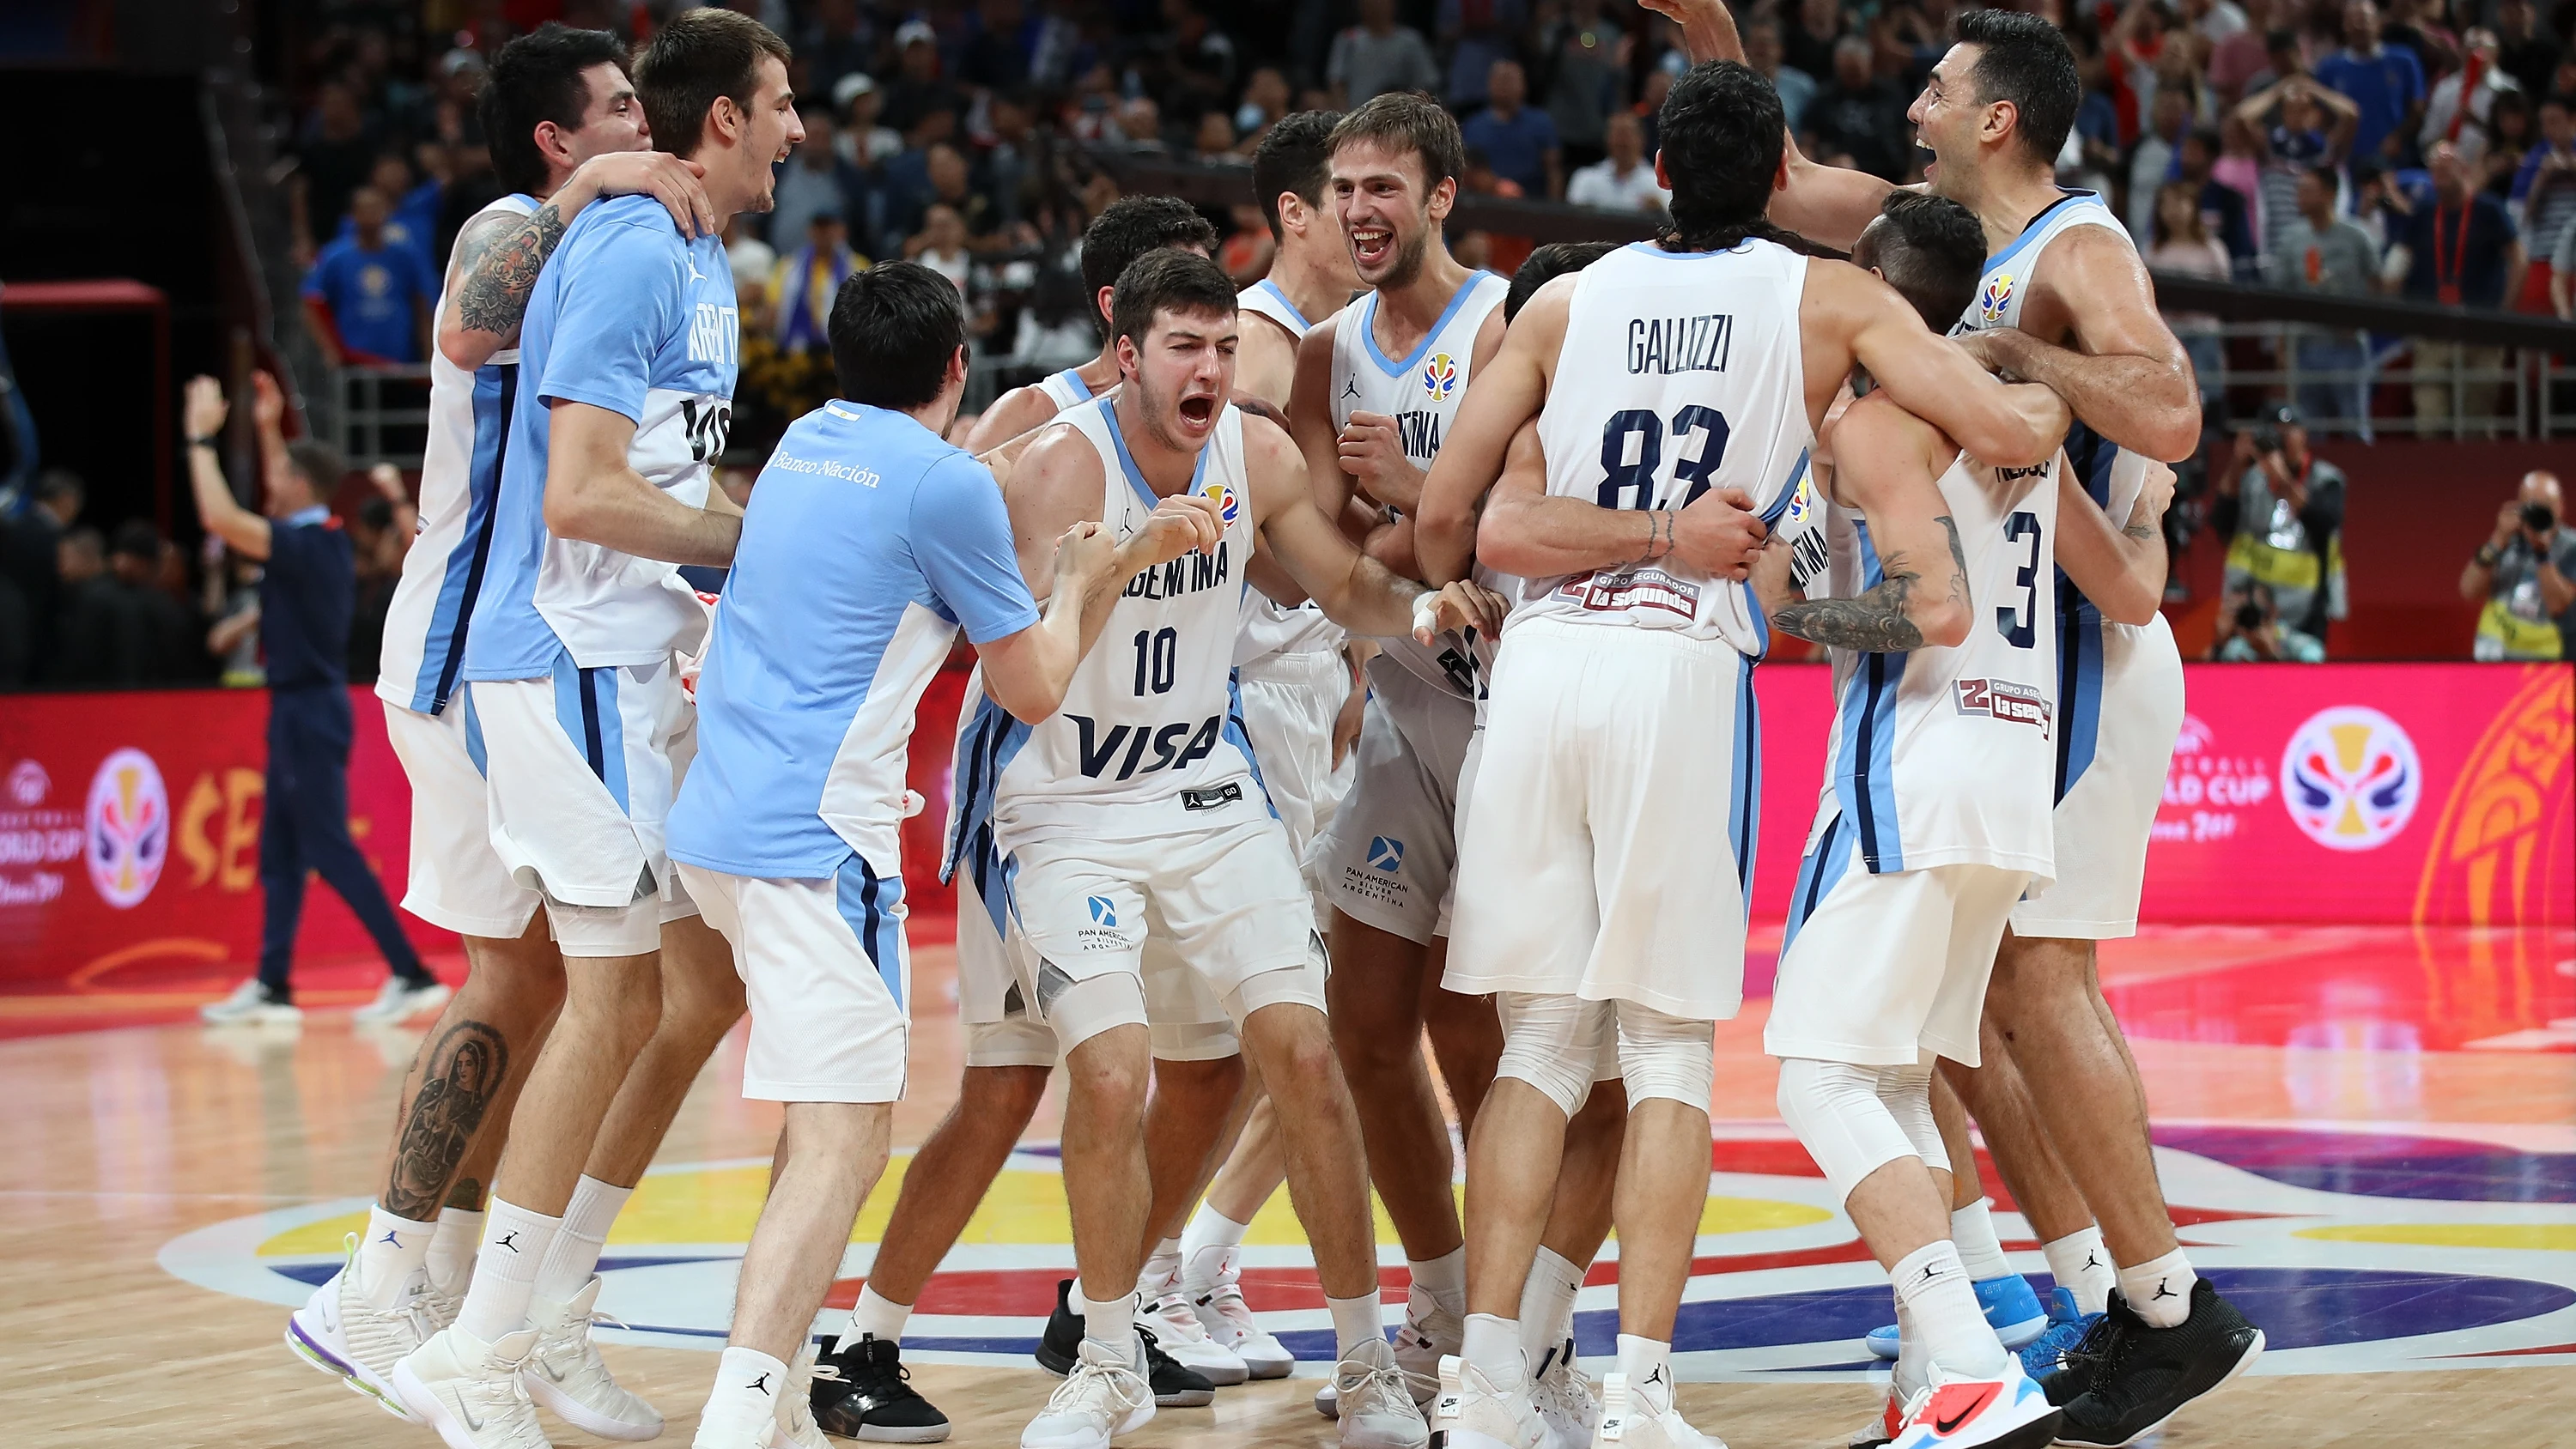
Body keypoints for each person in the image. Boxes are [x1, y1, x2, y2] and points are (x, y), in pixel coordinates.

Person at [1417, 58, 2069, 1449]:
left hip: (1540, 669)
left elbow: (1451, 521)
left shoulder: (1560, 300)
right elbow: (2006, 426)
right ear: (1783, 181)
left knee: (1539, 1039)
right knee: (1666, 1055)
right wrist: (2041, 396)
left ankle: (1482, 1391)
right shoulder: (1827, 294)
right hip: (1679, 664)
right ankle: (1639, 1395)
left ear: (1650, 174)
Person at [1716, 4, 2268, 1442]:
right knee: (1962, 1015)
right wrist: (1714, 24)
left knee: (2034, 984)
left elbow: (2172, 411)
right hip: (2020, 646)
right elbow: (1767, 180)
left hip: (2060, 660)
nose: (1912, 112)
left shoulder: (2076, 248)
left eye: (1939, 92)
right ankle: (2100, 1298)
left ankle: (2162, 1303)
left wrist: (2026, 357)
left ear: (1998, 118)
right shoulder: (1919, 229)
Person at [963, 247, 1498, 1449]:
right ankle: (1106, 1363)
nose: (1211, 367)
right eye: (1185, 348)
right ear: (1127, 357)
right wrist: (1115, 565)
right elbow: (1028, 683)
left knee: (1305, 1055)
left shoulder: (1253, 453)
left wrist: (1412, 608)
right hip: (1064, 807)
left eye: (1222, 346)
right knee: (1108, 1074)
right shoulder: (1056, 469)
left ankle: (1367, 1367)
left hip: (1204, 792)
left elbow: (1340, 581)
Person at [666, 260, 1190, 1449]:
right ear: (959, 365)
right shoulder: (945, 487)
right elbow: (1039, 685)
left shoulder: (803, 440)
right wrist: (1094, 576)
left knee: (822, 1129)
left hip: (716, 826)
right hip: (815, 845)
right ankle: (739, 1421)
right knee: (846, 1139)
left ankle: (782, 1391)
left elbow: (895, 540)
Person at [281, 21, 720, 1430]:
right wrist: (592, 194)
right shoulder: (518, 222)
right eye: (614, 109)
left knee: (537, 987)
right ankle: (404, 1284)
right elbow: (470, 322)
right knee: (557, 986)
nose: (641, 125)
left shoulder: (630, 251)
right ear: (556, 135)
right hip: (474, 653)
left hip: (503, 652)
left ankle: (440, 1295)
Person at [393, 15, 800, 1449]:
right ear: (726, 121)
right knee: (595, 985)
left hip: (626, 656)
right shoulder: (608, 238)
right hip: (551, 649)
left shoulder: (696, 254)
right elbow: (576, 493)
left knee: (699, 979)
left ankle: (545, 1302)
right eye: (783, 102)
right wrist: (750, 537)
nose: (803, 128)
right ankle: (470, 1334)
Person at [1286, 92, 1513, 1406]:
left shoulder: (1505, 325)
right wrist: (1413, 525)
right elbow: (1325, 555)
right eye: (1345, 189)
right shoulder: (1324, 353)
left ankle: (1508, 1331)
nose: (1362, 211)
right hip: (1401, 700)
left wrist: (1413, 501)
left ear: (1439, 197)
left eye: (1387, 187)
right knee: (1365, 1025)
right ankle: (1434, 1302)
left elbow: (1516, 522)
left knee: (1474, 1034)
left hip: (1504, 710)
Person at [1159, 107, 1370, 1380]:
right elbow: (1287, 576)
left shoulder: (1321, 341)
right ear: (1292, 214)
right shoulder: (1262, 351)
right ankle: (1159, 1286)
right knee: (1275, 1016)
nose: (1363, 216)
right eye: (1340, 194)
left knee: (1307, 1015)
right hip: (1250, 698)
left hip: (1299, 697)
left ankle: (1194, 1272)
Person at [186, 374, 447, 1031]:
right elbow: (283, 486)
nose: (272, 477)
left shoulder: (306, 543)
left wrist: (198, 437)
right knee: (279, 855)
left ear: (300, 483)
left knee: (329, 847)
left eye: (280, 471)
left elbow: (219, 518)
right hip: (301, 708)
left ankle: (410, 973)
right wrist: (272, 422)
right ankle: (273, 985)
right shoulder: (317, 535)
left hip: (309, 709)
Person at [961, 197, 1218, 453]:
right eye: (1183, 290)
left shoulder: (1237, 412)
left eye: (1210, 286)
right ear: (1114, 304)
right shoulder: (1030, 416)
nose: (1206, 305)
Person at [2397, 141, 2524, 433]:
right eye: (2435, 171)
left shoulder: (2488, 209)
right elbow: (2401, 261)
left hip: (2481, 331)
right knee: (2429, 421)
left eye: (2447, 169)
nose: (2440, 177)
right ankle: (2432, 477)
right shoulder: (2424, 212)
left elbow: (2519, 259)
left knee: (2475, 424)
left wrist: (2504, 313)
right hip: (2434, 331)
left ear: (2463, 170)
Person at [2267, 163, 2382, 425]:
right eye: (2300, 190)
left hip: (2348, 344)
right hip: (2305, 344)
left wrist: (2363, 319)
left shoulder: (2357, 236)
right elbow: (2280, 296)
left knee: (2355, 420)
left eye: (2308, 190)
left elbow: (2377, 282)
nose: (2300, 196)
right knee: (2307, 424)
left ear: (2330, 194)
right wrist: (2281, 342)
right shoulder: (2291, 240)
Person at [302, 184, 441, 366]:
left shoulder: (406, 256)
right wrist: (329, 349)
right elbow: (311, 302)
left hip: (402, 360)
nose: (372, 214)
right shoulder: (334, 257)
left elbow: (421, 304)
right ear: (352, 215)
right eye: (365, 209)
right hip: (354, 361)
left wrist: (429, 354)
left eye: (377, 208)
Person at [2463, 470, 2575, 659]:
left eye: (2545, 505)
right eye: (2531, 505)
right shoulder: (2507, 540)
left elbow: (2558, 605)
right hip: (2495, 656)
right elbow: (2469, 590)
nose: (2538, 512)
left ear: (2560, 507)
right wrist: (2497, 540)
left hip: (2547, 661)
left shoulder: (2571, 547)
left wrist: (2542, 553)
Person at [2315, 0, 2427, 164]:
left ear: (2378, 22)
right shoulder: (2329, 68)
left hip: (2394, 158)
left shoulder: (2404, 60)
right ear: (2344, 25)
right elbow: (2322, 115)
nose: (2359, 26)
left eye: (2364, 19)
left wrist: (2398, 137)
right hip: (2348, 159)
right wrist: (2333, 142)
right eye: (2352, 20)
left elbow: (2418, 108)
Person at [1461, 60, 1562, 201]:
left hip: (1532, 203)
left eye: (1510, 79)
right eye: (1500, 79)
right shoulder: (1473, 125)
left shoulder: (1541, 123)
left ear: (1524, 85)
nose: (1505, 85)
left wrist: (1553, 208)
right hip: (1484, 202)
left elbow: (1553, 170)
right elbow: (1465, 171)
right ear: (1489, 83)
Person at [1328, 0, 1441, 111]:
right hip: (1355, 116)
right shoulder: (1349, 39)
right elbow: (1337, 82)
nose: (1374, 5)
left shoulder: (1410, 42)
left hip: (1397, 118)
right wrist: (1344, 117)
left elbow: (1426, 84)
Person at [1565, 111, 1670, 213]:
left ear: (1642, 139)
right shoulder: (1586, 179)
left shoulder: (1659, 184)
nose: (1622, 142)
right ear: (1607, 138)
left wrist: (1658, 211)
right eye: (1617, 134)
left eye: (1628, 134)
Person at [2208, 577, 2326, 658]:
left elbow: (2310, 688)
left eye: (2253, 614)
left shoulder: (2306, 649)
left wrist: (2272, 656)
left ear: (2274, 613)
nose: (2249, 620)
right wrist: (2219, 645)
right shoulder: (2233, 649)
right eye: (2241, 614)